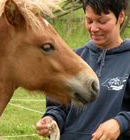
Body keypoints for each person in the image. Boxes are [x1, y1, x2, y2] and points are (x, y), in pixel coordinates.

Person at [36, 0, 130, 139]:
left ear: (121, 16)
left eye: (102, 21)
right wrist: (51, 119)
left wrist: (120, 123)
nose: (94, 28)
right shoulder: (73, 58)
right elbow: (58, 107)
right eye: (89, 21)